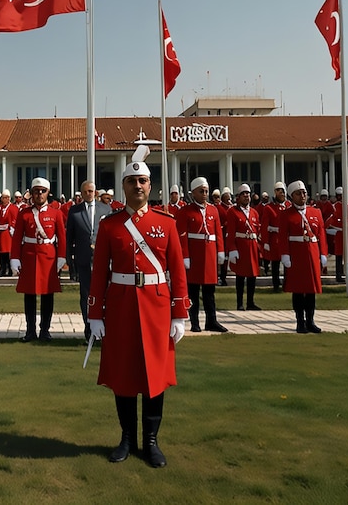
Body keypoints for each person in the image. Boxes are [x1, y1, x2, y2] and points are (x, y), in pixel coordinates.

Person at [87, 146, 190, 468]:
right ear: (124, 187)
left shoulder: (167, 223)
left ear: (151, 185)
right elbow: (99, 273)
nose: (138, 187)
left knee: (154, 376)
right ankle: (127, 438)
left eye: (143, 181)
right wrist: (94, 315)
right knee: (124, 375)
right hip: (120, 309)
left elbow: (177, 270)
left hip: (157, 309)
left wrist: (180, 314)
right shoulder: (109, 226)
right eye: (132, 182)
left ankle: (151, 442)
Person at [10, 177, 66, 342]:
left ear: (48, 193)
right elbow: (17, 238)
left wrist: (62, 257)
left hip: (48, 257)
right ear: (31, 193)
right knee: (29, 295)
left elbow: (62, 238)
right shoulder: (24, 213)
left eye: (43, 191)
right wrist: (15, 258)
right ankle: (30, 330)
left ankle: (45, 330)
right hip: (29, 257)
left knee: (48, 296)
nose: (39, 194)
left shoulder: (56, 213)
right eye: (36, 191)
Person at [176, 177, 227, 333]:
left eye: (206, 191)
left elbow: (218, 232)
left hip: (210, 253)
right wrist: (185, 256)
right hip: (195, 255)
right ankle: (195, 322)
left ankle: (212, 321)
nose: (205, 194)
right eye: (201, 191)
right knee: (193, 291)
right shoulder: (185, 211)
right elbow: (182, 235)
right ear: (194, 193)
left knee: (209, 292)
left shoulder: (213, 210)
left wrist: (220, 251)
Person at [279, 181, 328, 333]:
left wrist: (323, 253)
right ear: (292, 196)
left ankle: (311, 320)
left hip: (312, 253)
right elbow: (282, 237)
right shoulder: (286, 214)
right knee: (298, 290)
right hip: (297, 254)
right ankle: (300, 321)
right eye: (298, 194)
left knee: (311, 290)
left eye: (304, 193)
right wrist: (285, 255)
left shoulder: (316, 212)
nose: (302, 196)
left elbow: (321, 235)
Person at [66, 180, 112, 341]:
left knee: (104, 294)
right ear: (81, 193)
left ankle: (103, 328)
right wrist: (69, 260)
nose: (88, 194)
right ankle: (88, 328)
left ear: (95, 192)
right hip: (83, 258)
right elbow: (69, 237)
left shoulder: (106, 209)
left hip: (102, 259)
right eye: (85, 192)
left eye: (91, 191)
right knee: (86, 295)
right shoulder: (74, 211)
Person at [226, 183, 261, 311]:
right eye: (243, 194)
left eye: (248, 194)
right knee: (240, 276)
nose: (246, 196)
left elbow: (257, 231)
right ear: (238, 197)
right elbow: (230, 232)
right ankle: (239, 303)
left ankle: (250, 302)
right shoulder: (232, 212)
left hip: (252, 246)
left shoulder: (254, 213)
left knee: (253, 276)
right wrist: (232, 249)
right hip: (240, 246)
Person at [260, 182, 291, 292]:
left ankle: (288, 284)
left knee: (288, 264)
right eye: (278, 190)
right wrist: (266, 241)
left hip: (287, 239)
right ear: (275, 192)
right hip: (275, 239)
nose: (281, 193)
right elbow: (264, 226)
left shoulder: (289, 206)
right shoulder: (269, 208)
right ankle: (276, 285)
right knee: (275, 264)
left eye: (282, 190)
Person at [0, 189, 18, 276]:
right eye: (2, 198)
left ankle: (9, 269)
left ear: (8, 198)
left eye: (5, 198)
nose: (3, 200)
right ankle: (2, 269)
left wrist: (11, 227)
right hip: (1, 232)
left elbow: (15, 219)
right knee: (2, 252)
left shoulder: (13, 208)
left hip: (8, 232)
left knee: (8, 252)